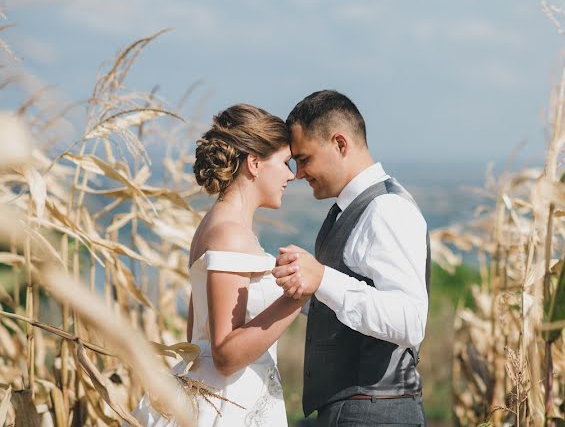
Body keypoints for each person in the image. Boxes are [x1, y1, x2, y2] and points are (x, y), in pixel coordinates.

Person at [133, 104, 304, 426]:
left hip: (215, 391)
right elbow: (224, 355)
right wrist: (298, 295)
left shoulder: (216, 224)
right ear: (254, 163)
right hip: (229, 403)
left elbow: (196, 334)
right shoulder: (230, 234)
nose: (291, 175)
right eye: (284, 162)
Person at [272, 90, 430, 426]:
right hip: (353, 411)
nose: (299, 173)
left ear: (340, 144)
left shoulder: (386, 209)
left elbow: (411, 321)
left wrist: (324, 280)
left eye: (304, 159)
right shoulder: (348, 211)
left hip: (377, 412)